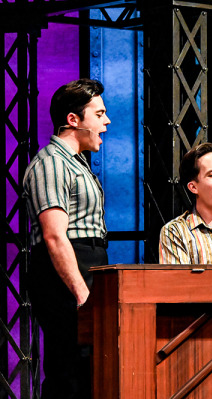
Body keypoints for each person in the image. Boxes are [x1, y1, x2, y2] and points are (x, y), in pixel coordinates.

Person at [23, 78, 111, 399]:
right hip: (64, 273)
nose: (107, 121)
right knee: (68, 372)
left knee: (87, 369)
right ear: (73, 120)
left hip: (88, 265)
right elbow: (55, 236)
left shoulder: (77, 164)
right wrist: (82, 293)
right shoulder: (51, 163)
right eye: (99, 114)